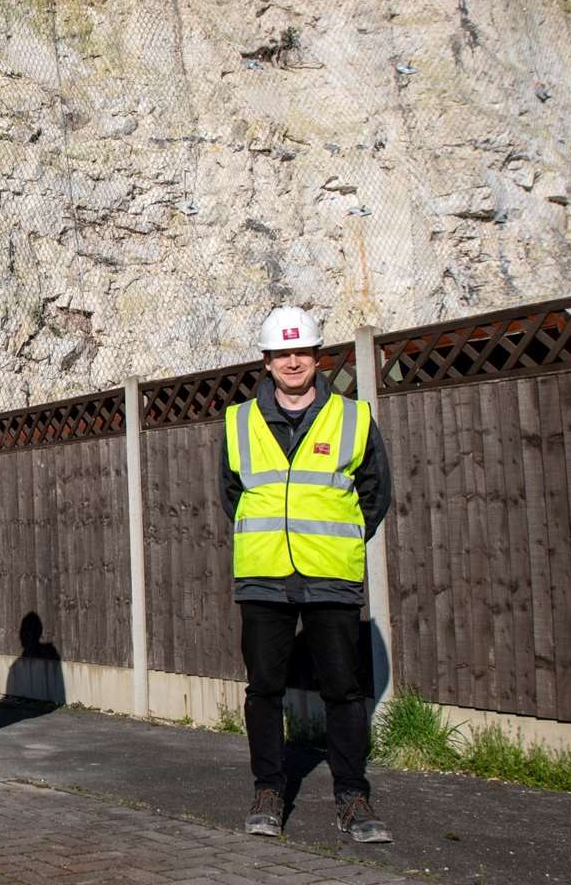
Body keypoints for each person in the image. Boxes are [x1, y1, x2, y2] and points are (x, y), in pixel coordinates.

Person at [220, 307, 394, 843]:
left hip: (330, 574)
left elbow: (375, 494)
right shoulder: (238, 421)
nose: (293, 362)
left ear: (317, 358)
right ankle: (269, 791)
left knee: (343, 689)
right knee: (264, 689)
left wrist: (332, 541)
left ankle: (351, 796)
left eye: (302, 352)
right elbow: (233, 496)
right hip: (264, 574)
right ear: (267, 363)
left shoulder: (354, 417)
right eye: (282, 354)